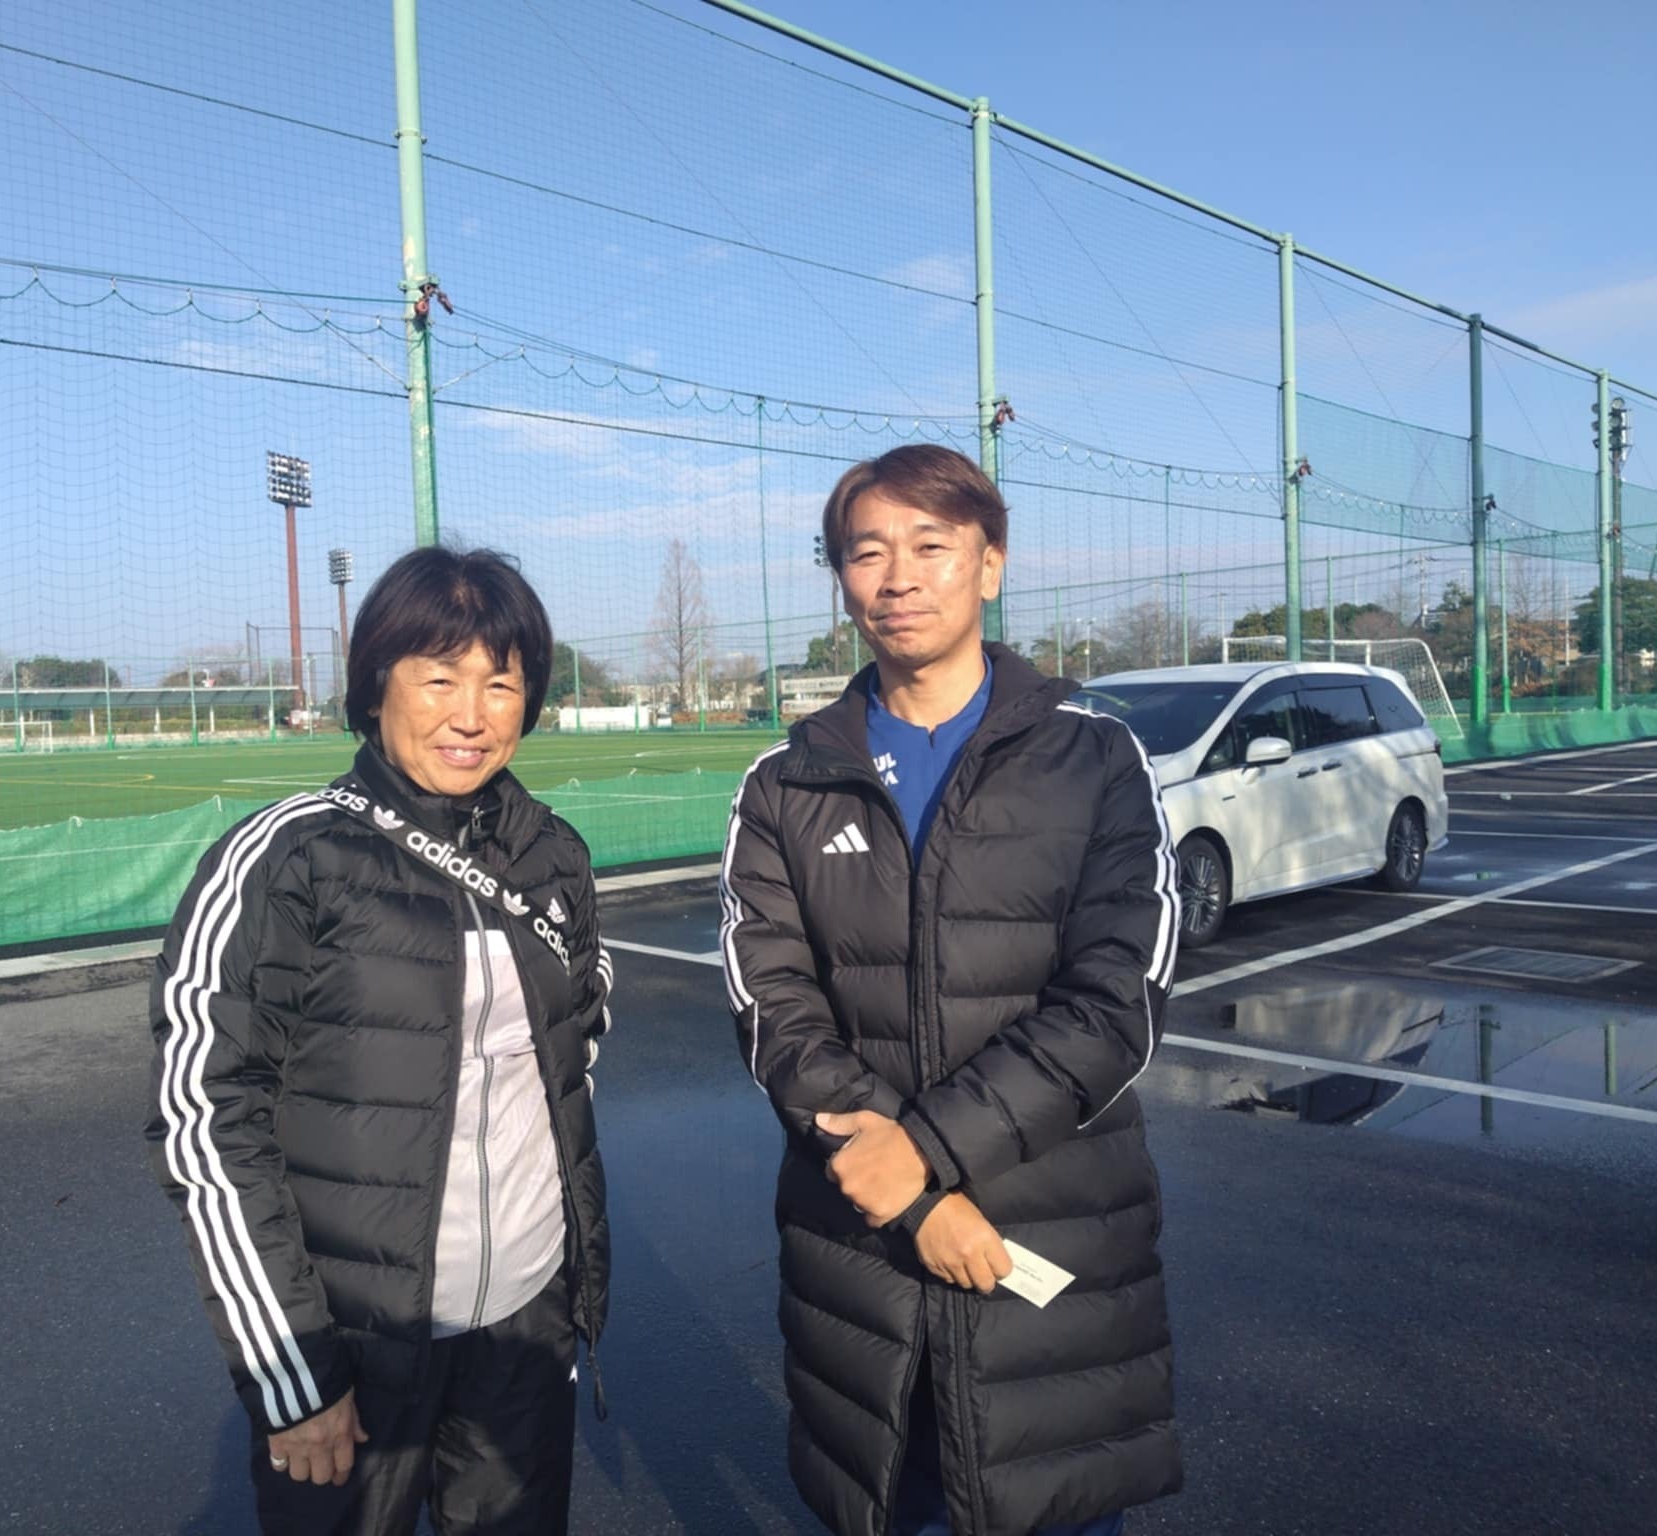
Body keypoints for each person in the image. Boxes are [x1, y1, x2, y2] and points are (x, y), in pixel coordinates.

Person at [719, 444, 1182, 1536]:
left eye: (930, 545)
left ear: (990, 564)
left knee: (1052, 1501)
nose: (898, 578)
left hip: (1046, 1236)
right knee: (890, 1496)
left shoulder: (1095, 759)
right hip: (862, 1245)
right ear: (841, 579)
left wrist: (924, 1153)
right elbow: (774, 1011)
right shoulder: (785, 783)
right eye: (866, 552)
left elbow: (1116, 1002)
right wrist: (912, 1201)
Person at [147, 546, 613, 1535]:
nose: (472, 713)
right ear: (374, 686)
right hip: (355, 1344)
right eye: (439, 677)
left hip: (523, 1325)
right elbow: (206, 1121)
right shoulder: (288, 856)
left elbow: (578, 1041)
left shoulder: (553, 857)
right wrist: (295, 1374)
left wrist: (564, 1284)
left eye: (501, 682)